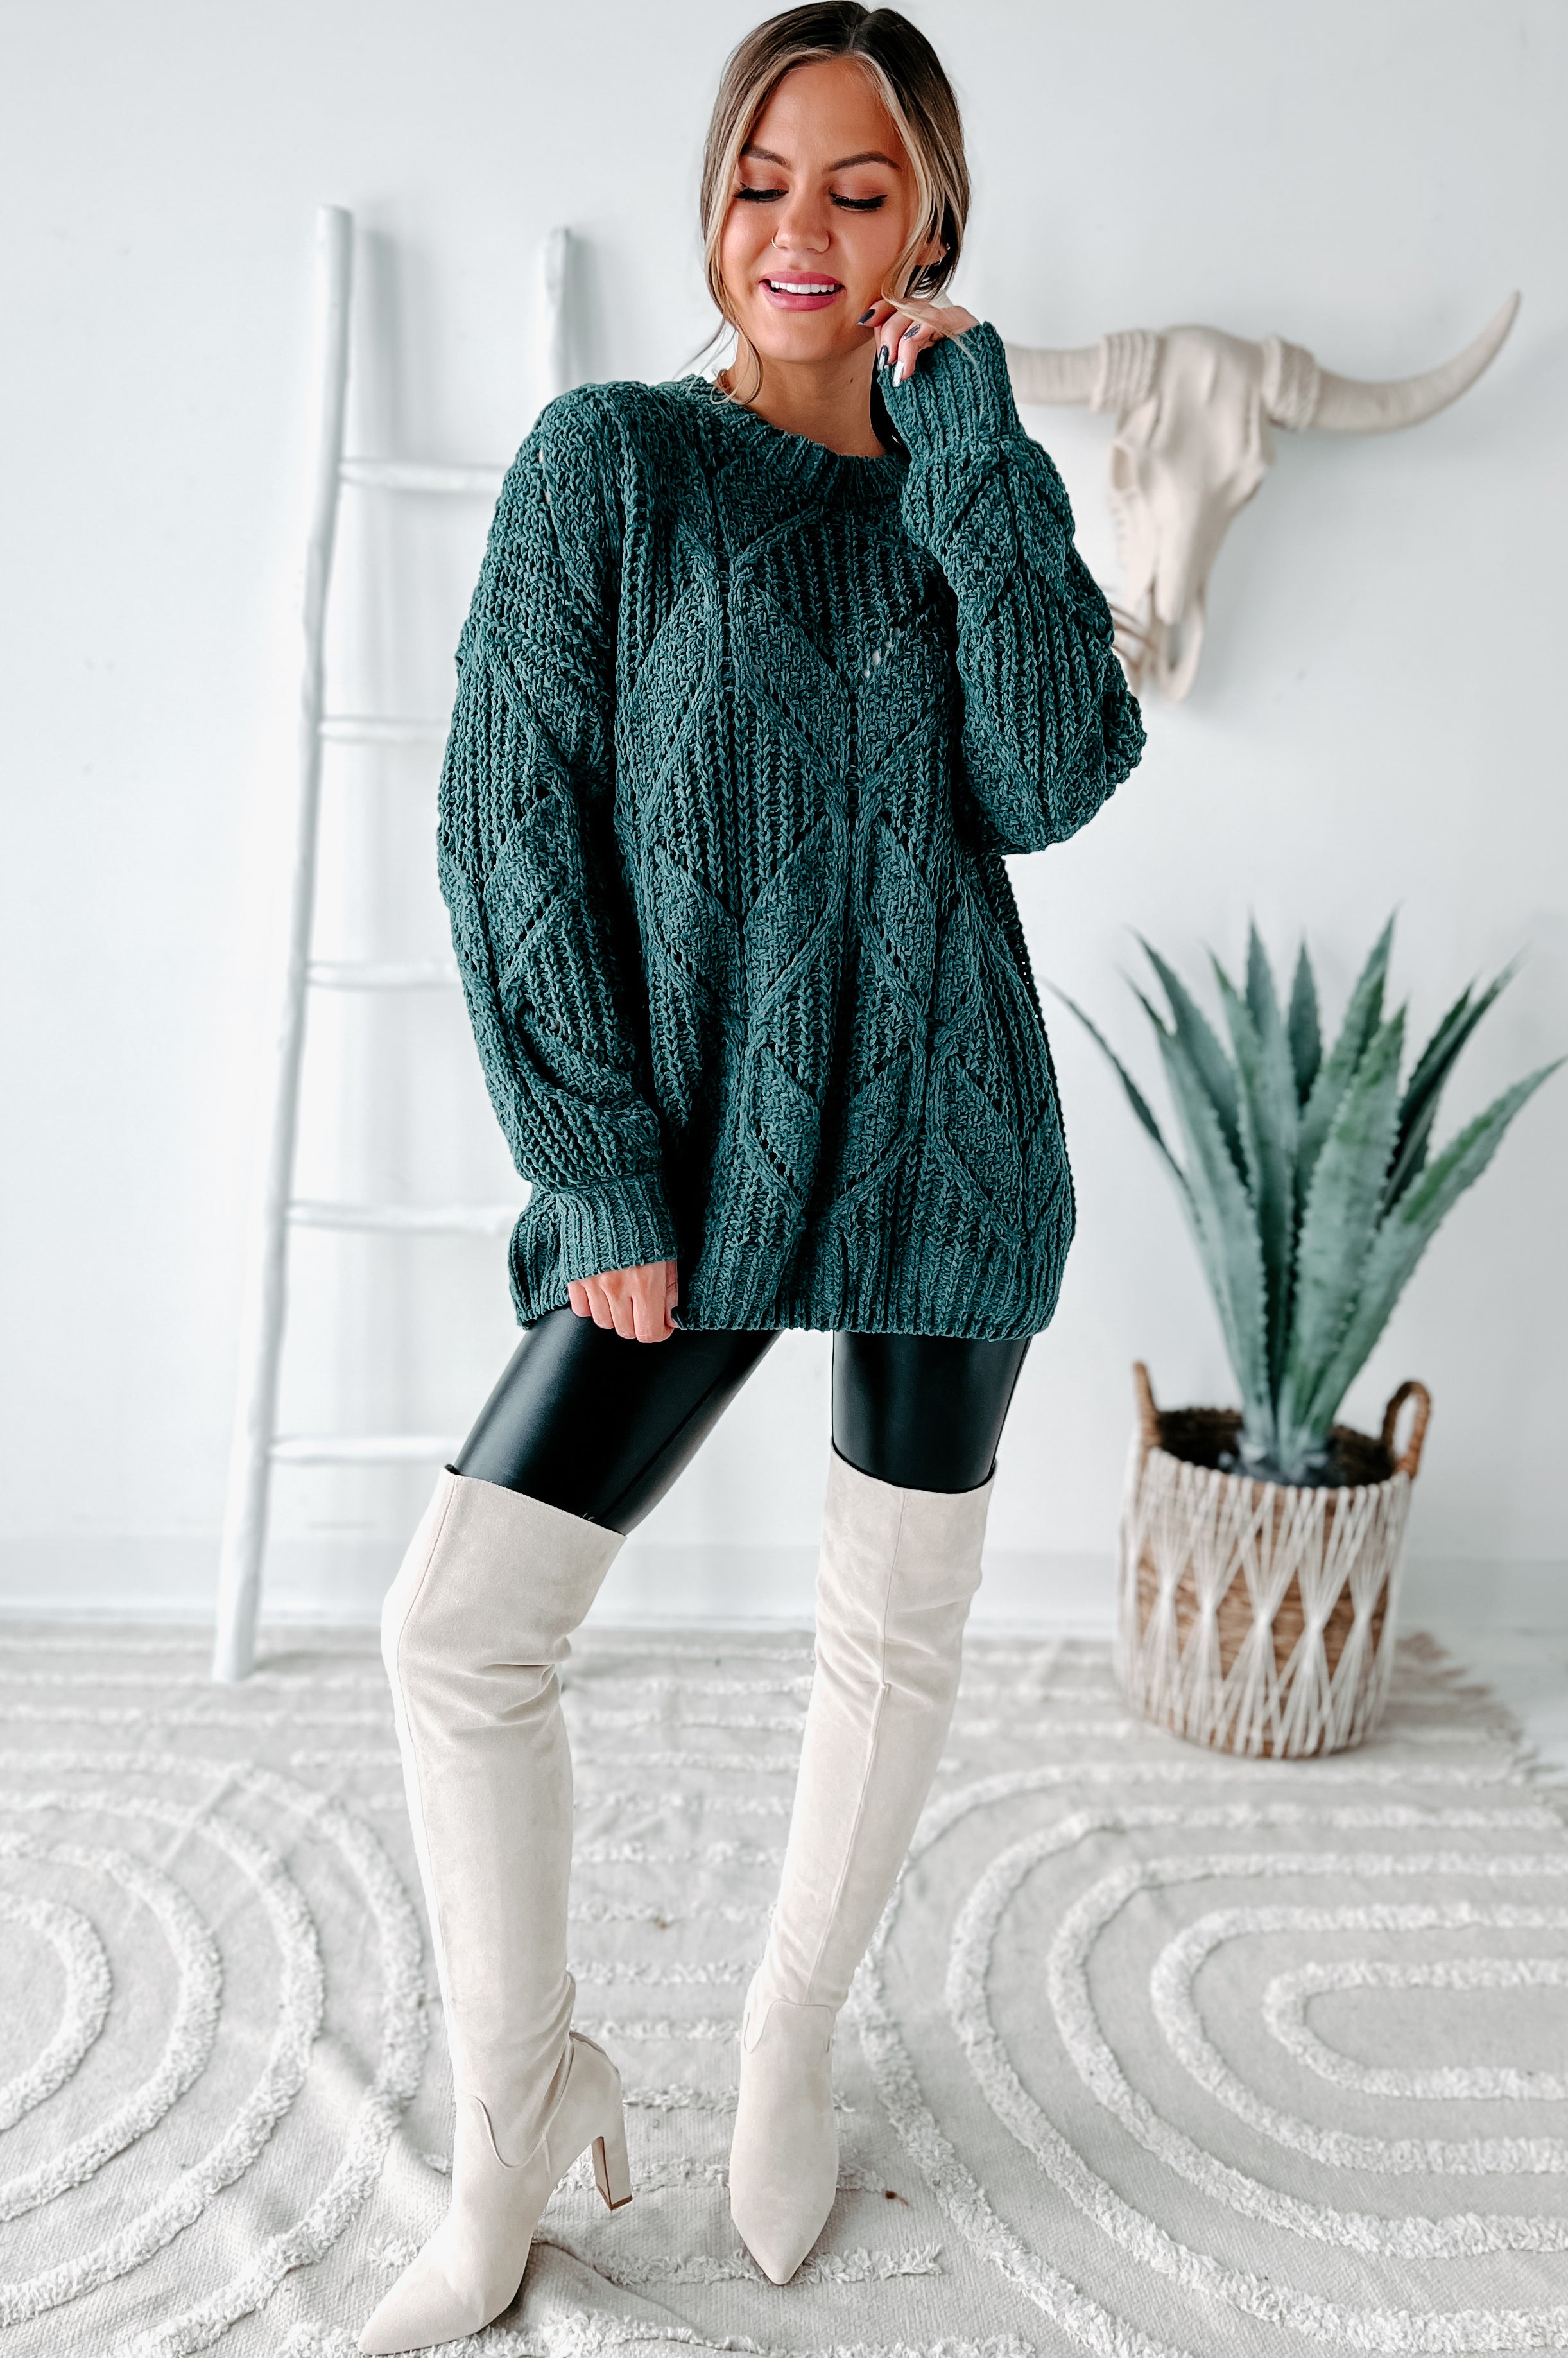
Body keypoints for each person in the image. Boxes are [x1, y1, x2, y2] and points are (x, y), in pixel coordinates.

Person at [358, 4, 1143, 2348]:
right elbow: (508, 821)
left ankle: (788, 2032)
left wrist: (972, 439)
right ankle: (520, 2111)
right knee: (460, 1629)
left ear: (933, 226)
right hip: (690, 1160)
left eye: (861, 189)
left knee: (888, 1630)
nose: (802, 229)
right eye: (765, 180)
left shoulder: (963, 483)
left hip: (947, 1141)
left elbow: (1053, 772)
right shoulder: (610, 462)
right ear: (714, 201)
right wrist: (596, 1165)